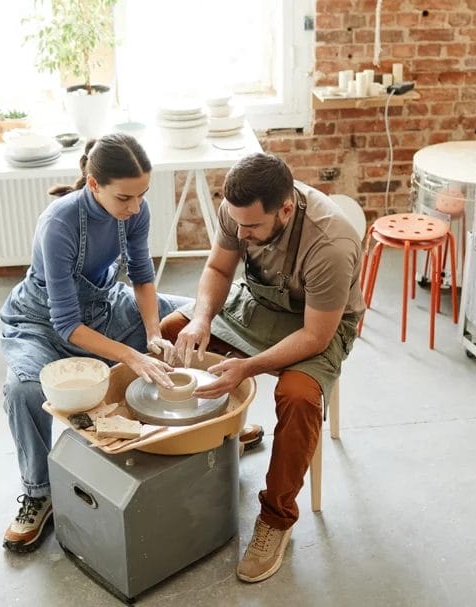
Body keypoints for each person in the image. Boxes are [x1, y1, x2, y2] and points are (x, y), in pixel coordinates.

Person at [160, 152, 364, 583]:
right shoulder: (239, 210)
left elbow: (315, 337)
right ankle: (200, 452)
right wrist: (200, 319)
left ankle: (276, 517)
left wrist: (248, 367)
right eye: (237, 224)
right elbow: (219, 266)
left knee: (298, 397)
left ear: (285, 208)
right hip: (258, 304)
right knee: (173, 332)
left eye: (251, 227)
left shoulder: (331, 244)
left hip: (317, 325)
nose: (242, 234)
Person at [0, 133, 189, 553]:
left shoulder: (135, 210)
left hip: (104, 307)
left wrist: (155, 334)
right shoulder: (59, 223)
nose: (135, 207)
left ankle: (203, 423)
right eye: (125, 198)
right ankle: (38, 493)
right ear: (93, 185)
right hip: (43, 322)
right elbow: (66, 324)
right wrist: (133, 356)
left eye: (142, 195)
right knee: (23, 389)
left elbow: (141, 276)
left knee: (192, 316)